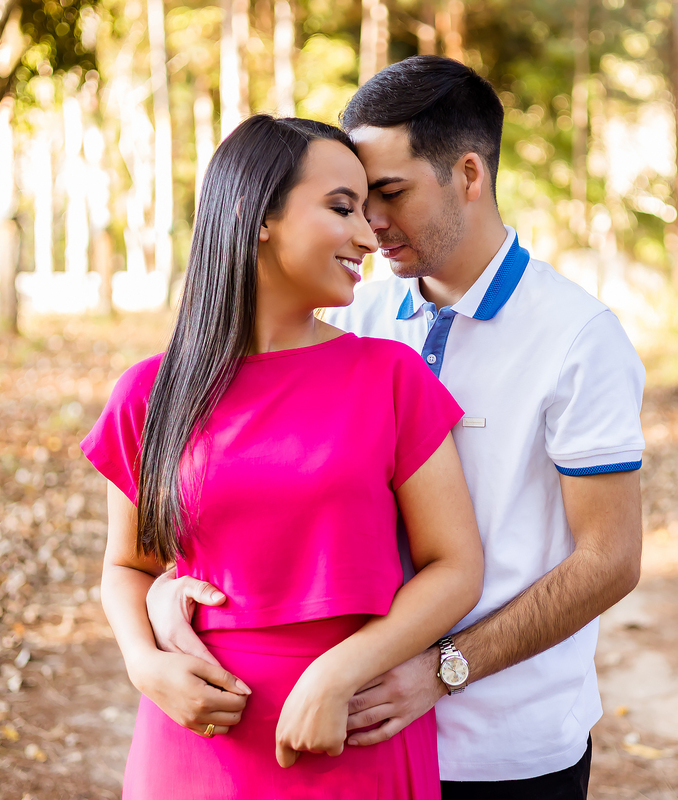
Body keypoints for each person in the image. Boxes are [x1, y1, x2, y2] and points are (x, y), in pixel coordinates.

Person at [148, 57, 646, 799]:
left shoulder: (578, 337)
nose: (370, 222)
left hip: (505, 749)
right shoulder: (347, 317)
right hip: (344, 740)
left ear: (468, 175)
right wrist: (170, 588)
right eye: (352, 199)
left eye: (390, 192)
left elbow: (610, 558)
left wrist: (445, 669)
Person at [83, 114, 484, 799]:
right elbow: (127, 565)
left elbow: (456, 567)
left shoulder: (391, 377)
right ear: (255, 214)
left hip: (352, 731)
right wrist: (144, 664)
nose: (368, 234)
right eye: (341, 208)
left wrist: (339, 672)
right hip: (195, 741)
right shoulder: (150, 393)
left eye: (367, 210)